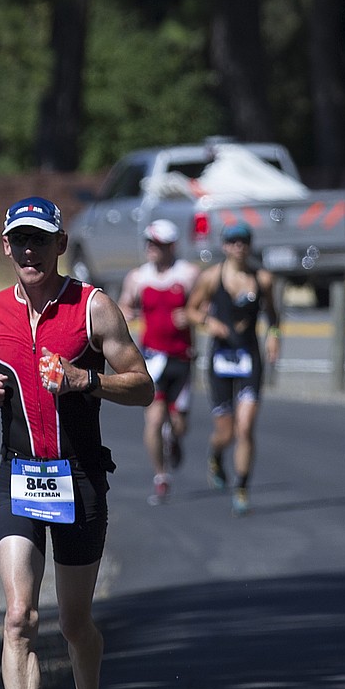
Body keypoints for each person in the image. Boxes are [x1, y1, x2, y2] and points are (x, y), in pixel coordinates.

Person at [0, 195, 153, 689]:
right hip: (19, 477)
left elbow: (143, 385)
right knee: (19, 614)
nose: (29, 251)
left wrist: (85, 379)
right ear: (6, 247)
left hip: (79, 479)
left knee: (75, 623)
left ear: (59, 245)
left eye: (39, 241)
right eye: (19, 241)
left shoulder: (93, 308)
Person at [185, 220, 281, 517]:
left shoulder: (263, 279)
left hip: (249, 357)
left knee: (245, 427)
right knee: (225, 432)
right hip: (221, 361)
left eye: (244, 241)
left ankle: (241, 488)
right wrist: (208, 322)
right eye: (233, 241)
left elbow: (273, 316)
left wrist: (274, 337)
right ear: (225, 246)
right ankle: (216, 455)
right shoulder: (212, 277)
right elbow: (191, 309)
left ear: (250, 245)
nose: (239, 247)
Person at [118, 219, 200, 505]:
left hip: (181, 358)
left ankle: (174, 439)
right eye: (149, 243)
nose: (151, 249)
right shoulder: (138, 278)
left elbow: (204, 308)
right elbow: (125, 305)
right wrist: (126, 316)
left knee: (179, 422)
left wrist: (189, 316)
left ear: (171, 246)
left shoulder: (188, 274)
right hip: (152, 359)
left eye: (158, 244)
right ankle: (160, 475)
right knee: (153, 420)